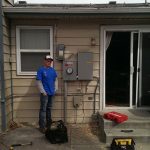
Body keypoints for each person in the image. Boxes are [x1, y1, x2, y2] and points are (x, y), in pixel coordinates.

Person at [36, 55, 57, 133]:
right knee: (43, 110)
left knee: (49, 109)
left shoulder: (53, 70)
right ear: (44, 61)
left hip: (51, 93)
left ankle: (49, 125)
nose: (49, 62)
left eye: (50, 61)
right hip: (45, 94)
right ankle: (42, 127)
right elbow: (38, 81)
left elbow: (55, 80)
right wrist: (43, 91)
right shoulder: (41, 70)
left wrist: (55, 89)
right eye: (48, 61)